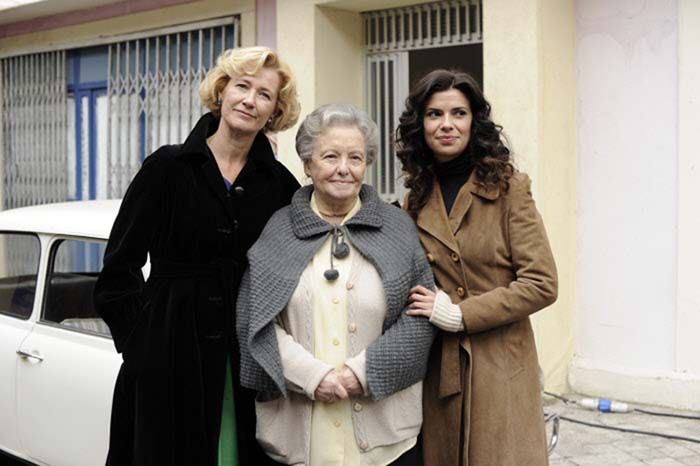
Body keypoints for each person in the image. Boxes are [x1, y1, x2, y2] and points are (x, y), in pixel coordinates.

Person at [93, 46, 301, 466]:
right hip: (166, 347)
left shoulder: (279, 184)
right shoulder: (168, 167)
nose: (249, 100)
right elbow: (119, 266)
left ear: (274, 111)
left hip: (245, 351)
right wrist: (140, 344)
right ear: (222, 91)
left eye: (264, 94)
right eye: (242, 86)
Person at [236, 103, 436, 466]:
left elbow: (419, 317)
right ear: (308, 164)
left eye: (355, 158)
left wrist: (362, 373)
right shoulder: (278, 230)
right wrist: (314, 376)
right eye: (330, 156)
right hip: (296, 435)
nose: (344, 168)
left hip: (386, 442)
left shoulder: (397, 228)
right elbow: (256, 320)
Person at [396, 69, 558, 466]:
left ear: (474, 121)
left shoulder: (508, 188)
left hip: (500, 364)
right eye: (435, 115)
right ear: (421, 126)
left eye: (459, 113)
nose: (447, 125)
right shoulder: (414, 200)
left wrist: (461, 314)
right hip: (441, 369)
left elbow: (542, 283)